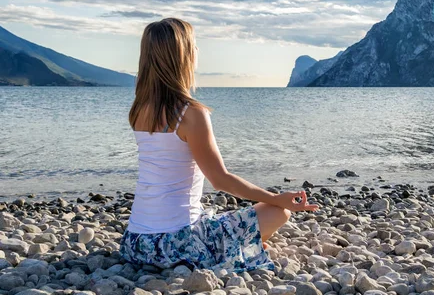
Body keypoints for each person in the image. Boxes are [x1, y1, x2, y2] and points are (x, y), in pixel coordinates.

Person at [119, 17, 319, 273]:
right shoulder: (190, 113)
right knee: (279, 213)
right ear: (182, 56)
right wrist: (276, 198)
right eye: (193, 45)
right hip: (177, 245)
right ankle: (237, 248)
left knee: (215, 217)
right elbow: (220, 180)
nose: (197, 51)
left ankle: (238, 243)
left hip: (136, 243)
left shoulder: (139, 109)